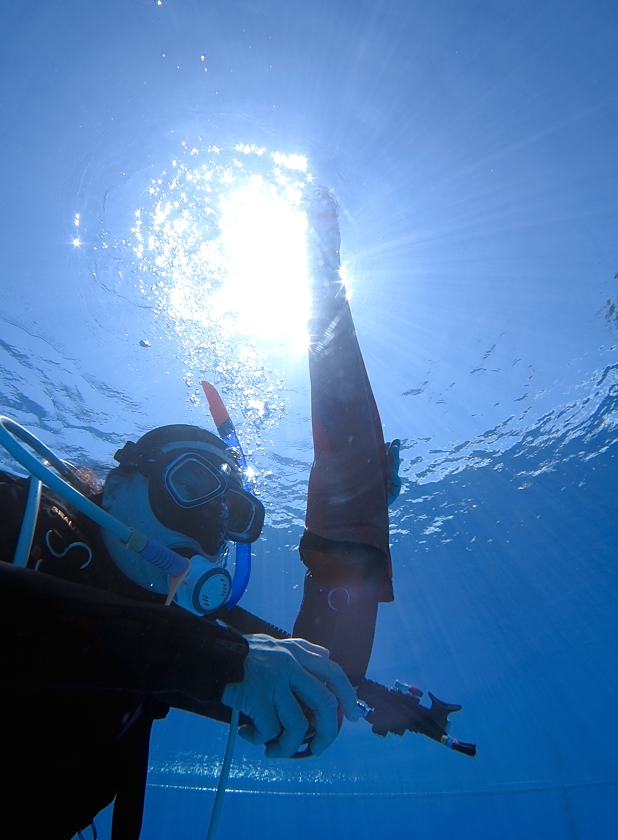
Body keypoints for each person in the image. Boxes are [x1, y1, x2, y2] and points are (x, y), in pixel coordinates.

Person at [0, 190, 399, 839]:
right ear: (118, 482)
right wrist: (212, 660)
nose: (209, 523)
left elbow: (324, 682)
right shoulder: (18, 517)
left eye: (232, 512)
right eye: (191, 483)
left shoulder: (190, 630)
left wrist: (357, 504)